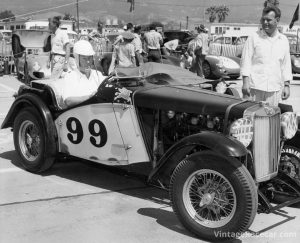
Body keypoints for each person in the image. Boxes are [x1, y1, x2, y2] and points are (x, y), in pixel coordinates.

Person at [240, 5, 292, 106]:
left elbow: (286, 65)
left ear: (277, 20)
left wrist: (287, 85)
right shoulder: (253, 37)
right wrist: (245, 82)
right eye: (263, 19)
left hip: (274, 90)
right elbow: (246, 60)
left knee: (270, 118)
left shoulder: (283, 40)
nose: (265, 23)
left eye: (268, 20)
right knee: (252, 118)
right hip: (254, 88)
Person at [49, 40, 106, 109]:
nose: (88, 62)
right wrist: (90, 97)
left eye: (90, 58)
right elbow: (68, 101)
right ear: (77, 59)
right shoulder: (70, 76)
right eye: (84, 58)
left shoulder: (98, 75)